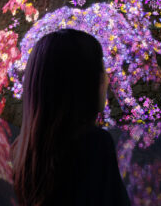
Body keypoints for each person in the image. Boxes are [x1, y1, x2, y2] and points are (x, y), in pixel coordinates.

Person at [11, 28, 131, 206]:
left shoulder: (21, 151)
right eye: (101, 67)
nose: (106, 78)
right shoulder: (94, 143)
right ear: (84, 82)